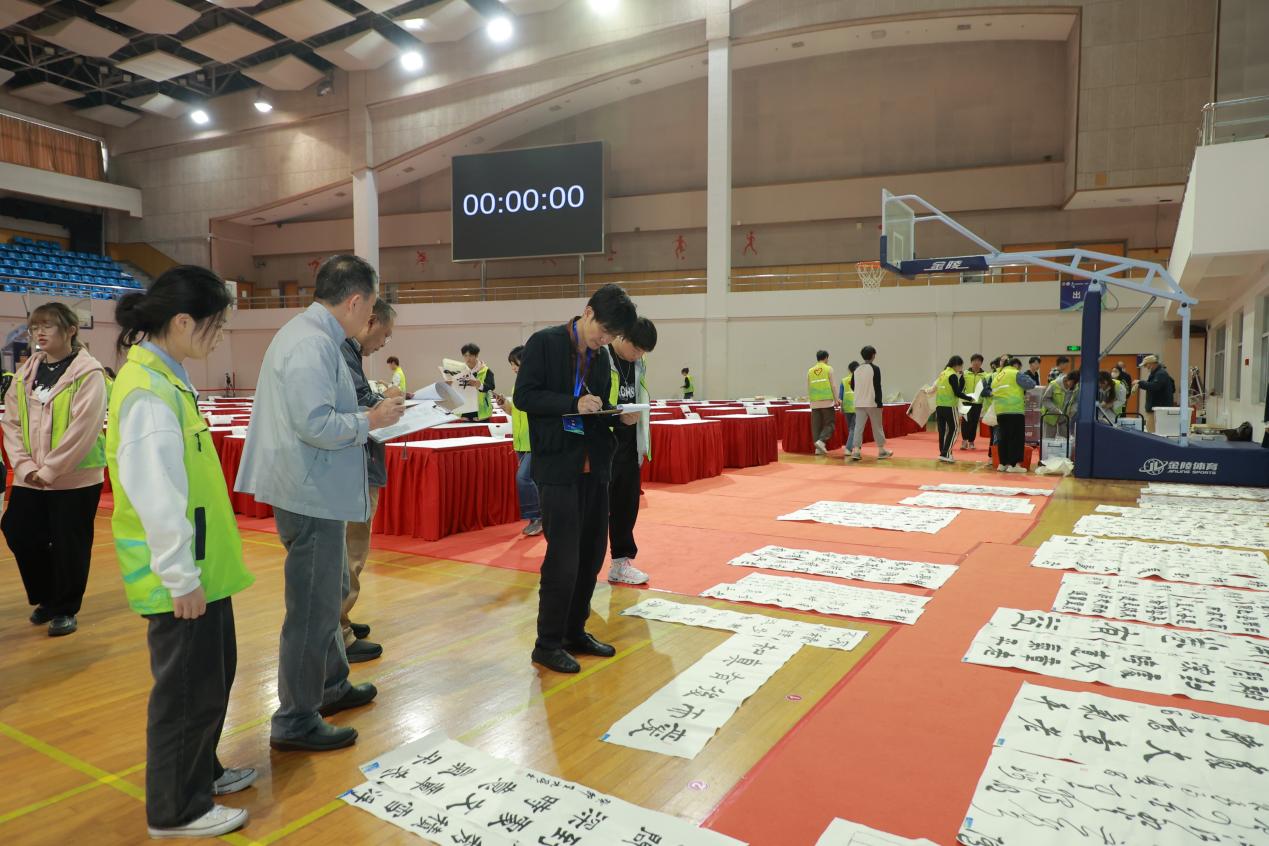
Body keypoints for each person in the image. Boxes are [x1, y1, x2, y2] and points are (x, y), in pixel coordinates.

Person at [106, 265, 256, 839]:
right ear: (184, 321)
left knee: (211, 683)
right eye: (217, 325)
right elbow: (156, 496)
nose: (221, 337)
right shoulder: (147, 392)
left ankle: (203, 773)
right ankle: (176, 810)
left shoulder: (168, 379)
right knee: (186, 695)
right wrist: (179, 576)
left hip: (205, 568)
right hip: (181, 576)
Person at [236, 255, 404, 752]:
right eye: (370, 308)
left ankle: (329, 685)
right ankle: (295, 717)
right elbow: (315, 423)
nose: (369, 318)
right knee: (311, 608)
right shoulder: (311, 343)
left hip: (314, 487)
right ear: (354, 301)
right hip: (309, 492)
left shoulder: (314, 336)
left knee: (326, 596)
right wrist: (370, 421)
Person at [513, 283, 637, 674]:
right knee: (563, 558)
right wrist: (572, 403)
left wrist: (617, 414)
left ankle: (574, 631)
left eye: (612, 336)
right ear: (587, 312)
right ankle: (547, 643)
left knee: (591, 554)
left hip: (593, 467)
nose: (605, 340)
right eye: (604, 330)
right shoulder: (545, 343)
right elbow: (525, 396)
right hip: (558, 467)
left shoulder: (600, 356)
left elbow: (595, 403)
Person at [1, 302, 108, 637]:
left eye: (47, 326)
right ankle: (48, 596)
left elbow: (83, 429)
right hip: (30, 476)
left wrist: (49, 470)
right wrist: (24, 466)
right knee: (17, 529)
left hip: (75, 478)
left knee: (69, 544)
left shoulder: (88, 373)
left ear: (70, 330)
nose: (39, 333)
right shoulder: (25, 373)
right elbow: (11, 422)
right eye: (35, 327)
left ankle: (64, 608)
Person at [339, 298, 398, 665]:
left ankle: (341, 619)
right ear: (370, 320)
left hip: (359, 463)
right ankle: (339, 631)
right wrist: (383, 402)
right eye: (385, 335)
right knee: (351, 550)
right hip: (354, 467)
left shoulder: (348, 353)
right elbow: (352, 405)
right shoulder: (341, 350)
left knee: (352, 550)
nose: (383, 343)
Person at [607, 317, 657, 586]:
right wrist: (617, 417)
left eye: (643, 352)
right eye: (636, 349)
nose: (638, 355)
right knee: (595, 510)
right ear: (622, 336)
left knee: (626, 506)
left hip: (629, 444)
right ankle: (582, 567)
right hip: (603, 444)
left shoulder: (639, 363)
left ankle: (620, 563)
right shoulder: (602, 357)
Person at [499, 346, 542, 537]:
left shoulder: (537, 383)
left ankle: (536, 517)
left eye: (515, 363)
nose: (513, 368)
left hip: (535, 441)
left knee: (523, 478)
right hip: (520, 442)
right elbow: (515, 413)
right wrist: (505, 406)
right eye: (511, 364)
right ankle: (542, 517)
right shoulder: (518, 385)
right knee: (534, 480)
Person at [847, 345, 892, 461]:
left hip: (859, 403)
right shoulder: (875, 369)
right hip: (872, 403)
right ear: (873, 355)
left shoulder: (856, 370)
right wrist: (879, 403)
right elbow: (877, 387)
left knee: (858, 427)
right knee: (877, 427)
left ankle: (856, 451)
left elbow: (852, 386)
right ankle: (881, 450)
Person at [992, 357, 1036, 473]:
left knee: (1003, 438)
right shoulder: (1015, 373)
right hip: (1014, 410)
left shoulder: (998, 376)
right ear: (1015, 365)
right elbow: (1031, 384)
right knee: (1016, 438)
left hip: (1000, 411)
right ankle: (1014, 465)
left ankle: (1002, 464)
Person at [934, 355, 972, 463]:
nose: (961, 368)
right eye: (961, 366)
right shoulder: (952, 375)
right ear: (957, 365)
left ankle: (944, 453)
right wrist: (970, 398)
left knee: (943, 431)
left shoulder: (943, 373)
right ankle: (946, 453)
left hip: (939, 406)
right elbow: (957, 393)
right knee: (954, 429)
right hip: (949, 406)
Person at [807, 350, 838, 455]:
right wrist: (836, 399)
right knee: (830, 424)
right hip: (827, 401)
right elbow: (833, 385)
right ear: (826, 358)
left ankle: (817, 449)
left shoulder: (810, 371)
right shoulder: (828, 368)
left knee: (816, 426)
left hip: (814, 402)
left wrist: (811, 401)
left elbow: (809, 387)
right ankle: (821, 441)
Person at [1135, 354, 1175, 433]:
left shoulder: (1160, 374)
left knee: (1152, 432)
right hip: (1156, 408)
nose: (1146, 367)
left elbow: (1154, 386)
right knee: (1153, 430)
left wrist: (1140, 382)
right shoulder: (1157, 374)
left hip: (1157, 409)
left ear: (1152, 364)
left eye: (1146, 365)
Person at [458, 342, 495, 421]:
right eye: (465, 355)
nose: (468, 358)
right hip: (464, 411)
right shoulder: (460, 370)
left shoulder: (486, 370)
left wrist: (480, 385)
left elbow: (491, 387)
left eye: (470, 355)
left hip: (480, 411)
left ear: (476, 355)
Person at [1042, 370, 1080, 439]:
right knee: (1049, 440)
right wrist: (1055, 410)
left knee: (1065, 440)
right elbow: (1045, 400)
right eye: (1072, 383)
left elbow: (1075, 401)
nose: (1072, 385)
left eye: (1075, 383)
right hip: (1051, 416)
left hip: (1064, 417)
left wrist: (1072, 411)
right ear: (1067, 379)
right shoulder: (1054, 384)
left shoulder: (1075, 387)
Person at [960, 353, 986, 450]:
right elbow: (960, 388)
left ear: (981, 363)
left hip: (977, 403)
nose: (976, 363)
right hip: (966, 401)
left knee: (974, 422)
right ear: (971, 362)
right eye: (974, 361)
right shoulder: (965, 373)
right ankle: (964, 441)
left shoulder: (985, 375)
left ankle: (971, 441)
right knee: (965, 422)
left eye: (978, 361)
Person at [839, 360, 858, 449]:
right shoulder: (860, 379)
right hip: (857, 406)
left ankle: (853, 446)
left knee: (850, 428)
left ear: (849, 369)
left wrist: (841, 407)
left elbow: (840, 396)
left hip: (847, 407)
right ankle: (849, 448)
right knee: (853, 428)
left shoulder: (844, 380)